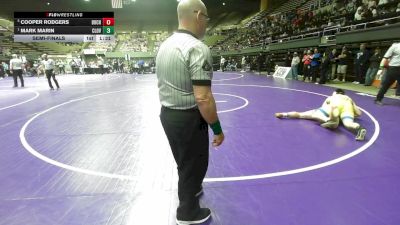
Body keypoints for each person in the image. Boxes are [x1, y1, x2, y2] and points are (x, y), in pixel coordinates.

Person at [156, 0, 224, 224]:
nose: (206, 23)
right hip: (188, 118)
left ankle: (192, 189)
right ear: (197, 16)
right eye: (206, 18)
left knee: (184, 161)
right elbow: (203, 97)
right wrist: (217, 128)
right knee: (194, 164)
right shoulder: (197, 47)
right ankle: (187, 213)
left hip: (168, 115)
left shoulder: (165, 44)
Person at [275, 89, 367, 141]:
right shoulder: (348, 98)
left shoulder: (332, 97)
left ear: (335, 92)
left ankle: (284, 114)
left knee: (306, 114)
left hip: (333, 106)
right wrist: (349, 114)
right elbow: (359, 113)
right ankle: (358, 128)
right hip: (347, 108)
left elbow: (323, 107)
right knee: (348, 123)